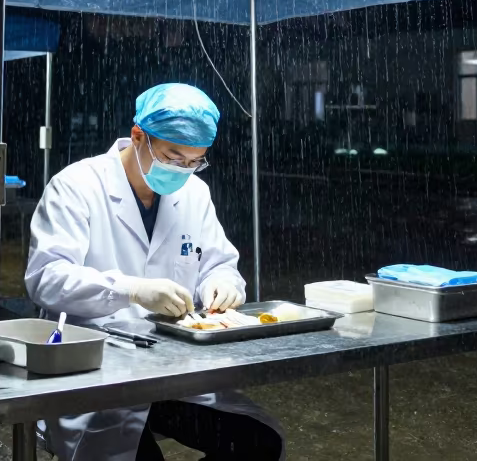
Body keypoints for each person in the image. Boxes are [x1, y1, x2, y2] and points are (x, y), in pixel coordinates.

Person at [26, 83, 285, 461]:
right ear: (138, 136)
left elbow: (219, 263)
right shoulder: (76, 186)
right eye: (173, 157)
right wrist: (129, 289)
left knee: (259, 443)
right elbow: (46, 278)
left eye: (195, 161)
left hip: (173, 372)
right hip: (95, 374)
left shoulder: (194, 193)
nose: (183, 170)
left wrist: (222, 284)